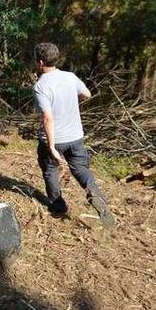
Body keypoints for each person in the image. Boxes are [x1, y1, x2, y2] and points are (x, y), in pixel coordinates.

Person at [32, 42, 115, 229]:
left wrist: (52, 147)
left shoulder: (41, 86)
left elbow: (47, 118)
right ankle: (93, 191)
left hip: (55, 139)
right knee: (80, 169)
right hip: (76, 136)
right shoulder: (70, 77)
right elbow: (87, 94)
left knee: (50, 171)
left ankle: (58, 207)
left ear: (40, 62)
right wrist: (68, 101)